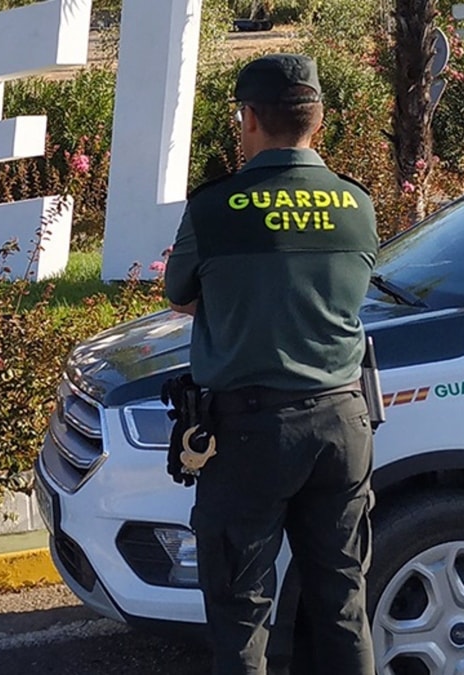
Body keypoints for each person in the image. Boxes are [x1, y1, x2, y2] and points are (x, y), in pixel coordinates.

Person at [164, 53, 379, 675]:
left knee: (241, 615)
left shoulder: (213, 209)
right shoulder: (356, 205)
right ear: (317, 121)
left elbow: (180, 296)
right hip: (343, 422)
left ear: (248, 118)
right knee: (342, 605)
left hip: (251, 435)